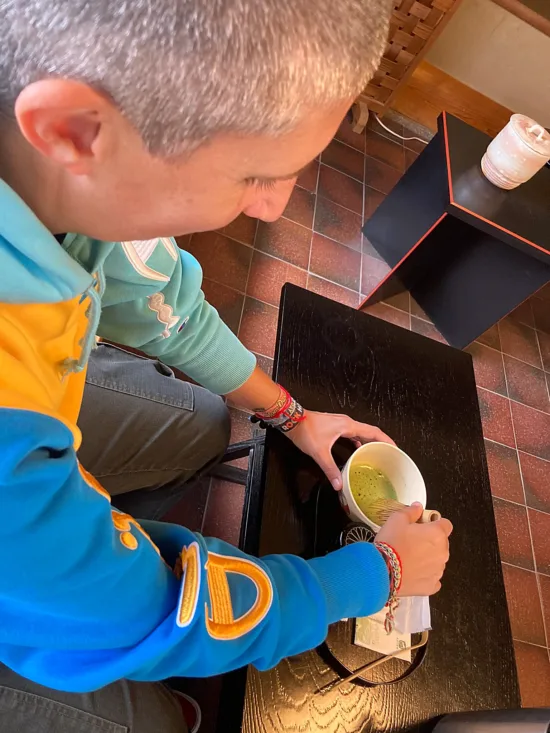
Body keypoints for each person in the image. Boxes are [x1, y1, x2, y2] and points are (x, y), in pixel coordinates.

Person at [0, 0, 453, 731]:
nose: (273, 208)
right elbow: (158, 612)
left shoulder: (49, 176)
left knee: (201, 421)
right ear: (71, 130)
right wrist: (383, 573)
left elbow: (160, 304)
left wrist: (294, 415)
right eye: (255, 176)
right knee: (156, 720)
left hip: (34, 482)